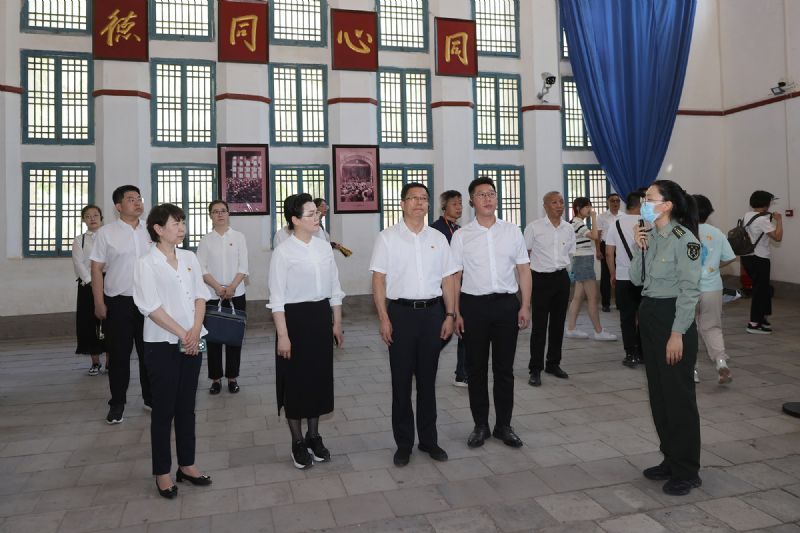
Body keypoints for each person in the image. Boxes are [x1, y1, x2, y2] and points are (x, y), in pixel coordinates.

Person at [370, 182, 457, 467]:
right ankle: (404, 444)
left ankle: (429, 440)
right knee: (401, 382)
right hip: (401, 315)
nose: (419, 202)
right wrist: (384, 318)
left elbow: (448, 279)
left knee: (428, 382)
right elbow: (378, 280)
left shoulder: (438, 238)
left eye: (424, 198)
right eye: (413, 198)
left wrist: (450, 315)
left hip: (432, 314)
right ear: (402, 203)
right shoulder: (387, 238)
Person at [133, 203, 213, 499]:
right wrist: (183, 334)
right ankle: (162, 472)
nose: (182, 228)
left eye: (183, 222)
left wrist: (195, 330)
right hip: (161, 344)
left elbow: (201, 296)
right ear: (158, 228)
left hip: (194, 338)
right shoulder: (146, 263)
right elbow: (150, 307)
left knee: (187, 406)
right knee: (164, 409)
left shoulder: (189, 257)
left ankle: (187, 465)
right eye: (176, 223)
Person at [630, 179, 702, 496]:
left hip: (673, 317)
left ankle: (687, 470)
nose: (644, 203)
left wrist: (677, 334)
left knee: (678, 398)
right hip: (650, 314)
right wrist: (638, 247)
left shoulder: (684, 240)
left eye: (650, 198)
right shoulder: (652, 237)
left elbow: (689, 291)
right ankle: (670, 459)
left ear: (667, 205)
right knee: (659, 395)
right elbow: (636, 280)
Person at [451, 178, 531, 449]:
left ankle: (504, 426)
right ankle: (480, 425)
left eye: (491, 194)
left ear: (497, 199)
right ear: (472, 201)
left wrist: (525, 305)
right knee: (476, 370)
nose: (487, 198)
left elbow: (524, 270)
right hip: (473, 307)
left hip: (506, 305)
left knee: (504, 370)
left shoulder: (512, 232)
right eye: (481, 194)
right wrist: (455, 312)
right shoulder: (462, 236)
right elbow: (455, 276)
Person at [268, 194, 345, 470]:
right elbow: (277, 298)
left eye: (317, 213)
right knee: (296, 383)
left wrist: (337, 322)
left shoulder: (324, 248)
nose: (317, 217)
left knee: (318, 380)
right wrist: (283, 335)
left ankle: (314, 436)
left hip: (320, 317)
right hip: (294, 321)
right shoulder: (283, 251)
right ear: (295, 219)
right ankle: (297, 441)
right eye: (311, 214)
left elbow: (335, 288)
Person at [90, 185, 152, 425]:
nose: (137, 203)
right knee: (118, 357)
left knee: (149, 354)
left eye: (139, 198)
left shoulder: (151, 230)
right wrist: (99, 302)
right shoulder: (106, 233)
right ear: (118, 206)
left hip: (149, 303)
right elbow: (96, 268)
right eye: (130, 199)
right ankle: (117, 404)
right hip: (118, 303)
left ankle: (151, 399)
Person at [196, 200, 249, 395]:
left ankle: (232, 378)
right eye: (215, 211)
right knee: (214, 339)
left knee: (234, 338)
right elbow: (201, 268)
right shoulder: (206, 240)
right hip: (212, 294)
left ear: (228, 214)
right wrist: (218, 287)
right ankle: (216, 379)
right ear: (210, 215)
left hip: (236, 294)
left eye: (223, 211)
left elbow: (243, 266)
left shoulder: (239, 237)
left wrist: (232, 286)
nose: (220, 214)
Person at [523, 191, 576, 386]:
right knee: (539, 326)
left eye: (561, 202)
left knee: (558, 324)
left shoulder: (568, 228)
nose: (559, 205)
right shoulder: (534, 227)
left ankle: (553, 363)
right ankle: (535, 368)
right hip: (540, 279)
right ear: (545, 206)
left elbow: (570, 254)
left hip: (561, 279)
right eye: (554, 202)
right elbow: (524, 254)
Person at [693, 195, 736, 384]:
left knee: (685, 329)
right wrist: (713, 267)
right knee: (712, 327)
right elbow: (730, 257)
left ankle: (691, 370)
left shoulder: (682, 232)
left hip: (687, 289)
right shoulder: (716, 233)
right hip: (712, 287)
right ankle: (720, 362)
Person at [430, 190, 468, 387]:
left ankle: (462, 373)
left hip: (461, 287)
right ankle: (421, 360)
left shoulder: (459, 230)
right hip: (441, 289)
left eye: (460, 203)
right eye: (454, 203)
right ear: (444, 207)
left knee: (463, 329)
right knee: (443, 331)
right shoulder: (435, 231)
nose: (459, 207)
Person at [564, 197, 617, 341]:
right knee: (593, 298)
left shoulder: (577, 223)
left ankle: (571, 328)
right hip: (583, 262)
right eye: (587, 207)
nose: (590, 209)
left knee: (577, 297)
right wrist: (594, 218)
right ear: (578, 208)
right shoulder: (578, 223)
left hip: (582, 260)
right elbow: (594, 236)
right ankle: (599, 331)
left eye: (590, 207)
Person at [605, 191, 645, 367]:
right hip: (645, 278)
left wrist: (612, 273)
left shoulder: (616, 224)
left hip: (623, 277)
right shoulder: (649, 223)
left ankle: (630, 354)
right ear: (640, 205)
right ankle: (643, 352)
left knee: (627, 317)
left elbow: (609, 252)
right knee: (644, 316)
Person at [740, 190, 783, 334]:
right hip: (759, 258)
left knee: (763, 289)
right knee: (760, 291)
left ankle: (763, 318)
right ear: (766, 203)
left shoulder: (747, 215)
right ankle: (754, 324)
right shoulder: (762, 220)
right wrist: (779, 220)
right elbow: (777, 237)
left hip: (747, 257)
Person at [72, 205, 107, 375]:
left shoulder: (108, 237)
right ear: (83, 220)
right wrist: (92, 281)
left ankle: (111, 363)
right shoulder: (80, 240)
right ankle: (95, 362)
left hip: (109, 283)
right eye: (88, 216)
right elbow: (78, 263)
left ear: (101, 218)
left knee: (110, 323)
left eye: (95, 215)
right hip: (87, 285)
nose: (92, 218)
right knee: (89, 323)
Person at [597, 193, 622, 312]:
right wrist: (598, 250)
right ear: (608, 202)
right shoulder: (602, 217)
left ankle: (620, 302)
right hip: (605, 246)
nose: (615, 203)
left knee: (620, 274)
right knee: (606, 275)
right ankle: (605, 303)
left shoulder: (624, 216)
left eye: (617, 201)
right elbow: (598, 235)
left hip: (620, 247)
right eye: (612, 201)